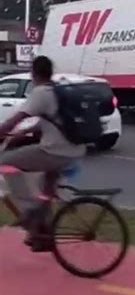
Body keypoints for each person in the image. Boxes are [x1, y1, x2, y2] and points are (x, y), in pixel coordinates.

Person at [0, 56, 86, 250]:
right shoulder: (56, 91)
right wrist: (20, 135)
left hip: (56, 151)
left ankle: (29, 211)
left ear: (33, 73)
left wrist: (4, 132)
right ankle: (42, 235)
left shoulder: (40, 92)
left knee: (5, 161)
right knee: (45, 187)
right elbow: (46, 122)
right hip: (74, 150)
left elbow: (15, 119)